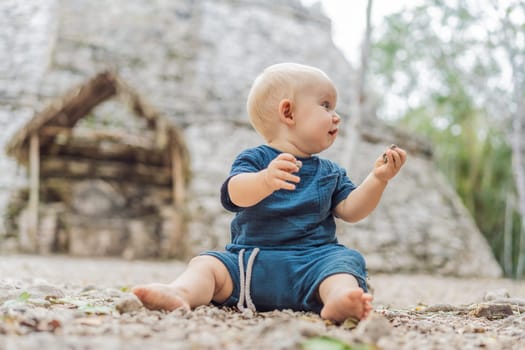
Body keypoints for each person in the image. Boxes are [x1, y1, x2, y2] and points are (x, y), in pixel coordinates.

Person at [132, 62, 407, 322]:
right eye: (325, 105)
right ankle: (182, 292)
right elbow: (234, 194)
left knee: (347, 260)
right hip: (252, 263)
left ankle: (338, 298)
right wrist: (264, 181)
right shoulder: (255, 159)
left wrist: (377, 179)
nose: (336, 116)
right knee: (207, 264)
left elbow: (352, 210)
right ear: (288, 113)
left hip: (314, 264)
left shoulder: (331, 172)